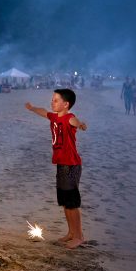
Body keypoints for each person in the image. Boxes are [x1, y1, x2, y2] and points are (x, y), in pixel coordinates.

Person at [25, 88, 89, 249]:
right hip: (61, 165)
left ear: (66, 104)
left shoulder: (69, 118)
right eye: (52, 99)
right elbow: (43, 112)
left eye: (56, 100)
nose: (52, 102)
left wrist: (80, 125)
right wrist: (32, 108)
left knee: (72, 203)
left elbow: (74, 121)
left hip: (71, 165)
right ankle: (71, 233)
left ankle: (79, 236)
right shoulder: (54, 117)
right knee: (65, 202)